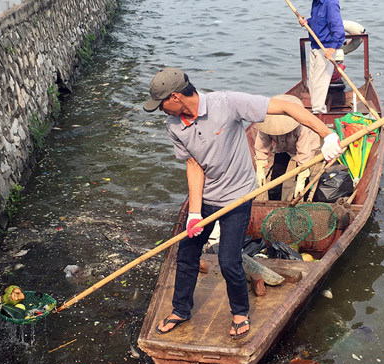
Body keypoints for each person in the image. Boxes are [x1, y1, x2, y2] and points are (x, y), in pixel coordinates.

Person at [143, 67, 342, 339]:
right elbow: (194, 166)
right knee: (186, 254)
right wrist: (193, 213)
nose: (160, 110)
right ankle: (181, 309)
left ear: (175, 97)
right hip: (206, 198)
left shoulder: (226, 103)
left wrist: (326, 134)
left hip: (239, 196)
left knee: (228, 259)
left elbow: (285, 107)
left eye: (161, 104)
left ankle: (239, 312)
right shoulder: (174, 126)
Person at [253, 94, 321, 201]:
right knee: (276, 175)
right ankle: (274, 202)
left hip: (306, 145)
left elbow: (304, 153)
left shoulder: (301, 128)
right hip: (282, 145)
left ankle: (305, 201)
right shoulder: (266, 125)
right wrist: (260, 166)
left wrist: (301, 178)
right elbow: (262, 145)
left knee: (303, 177)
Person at [298, 0, 345, 115]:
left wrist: (332, 48)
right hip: (315, 46)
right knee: (312, 83)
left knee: (320, 83)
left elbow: (338, 28)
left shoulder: (331, 3)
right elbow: (318, 21)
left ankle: (319, 112)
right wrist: (307, 22)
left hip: (325, 48)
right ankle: (316, 109)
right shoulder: (316, 2)